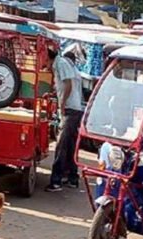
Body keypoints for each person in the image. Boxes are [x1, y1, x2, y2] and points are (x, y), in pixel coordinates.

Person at [45, 47, 84, 192]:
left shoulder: (61, 63)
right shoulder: (65, 65)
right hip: (74, 109)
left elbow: (68, 84)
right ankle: (72, 178)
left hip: (70, 110)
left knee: (61, 146)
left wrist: (61, 104)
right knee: (70, 146)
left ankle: (56, 181)